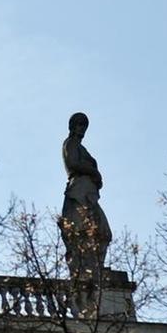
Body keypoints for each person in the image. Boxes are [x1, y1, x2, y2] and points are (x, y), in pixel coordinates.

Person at [58, 111, 111, 279]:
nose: (82, 129)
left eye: (84, 126)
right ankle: (87, 270)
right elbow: (72, 163)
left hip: (87, 192)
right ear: (73, 127)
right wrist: (95, 173)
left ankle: (95, 268)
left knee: (102, 231)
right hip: (79, 192)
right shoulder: (70, 143)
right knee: (83, 230)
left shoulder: (80, 147)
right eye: (79, 125)